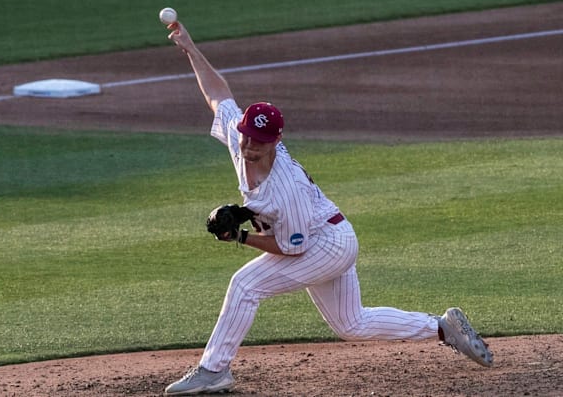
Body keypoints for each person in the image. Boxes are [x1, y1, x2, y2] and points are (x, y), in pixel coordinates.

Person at [163, 21, 493, 396]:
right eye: (247, 137)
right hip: (326, 232)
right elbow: (218, 94)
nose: (248, 147)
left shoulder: (287, 190)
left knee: (245, 285)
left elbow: (291, 249)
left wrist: (240, 236)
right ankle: (442, 327)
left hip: (326, 245)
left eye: (258, 142)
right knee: (350, 324)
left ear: (276, 142)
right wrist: (191, 48)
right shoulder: (240, 137)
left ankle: (213, 370)